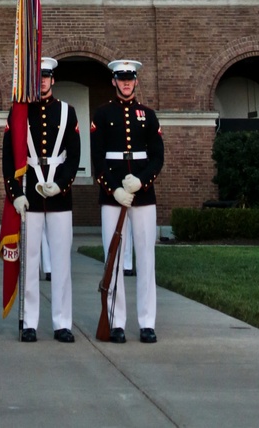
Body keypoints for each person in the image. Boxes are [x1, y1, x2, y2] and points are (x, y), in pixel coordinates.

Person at [3, 57, 81, 343]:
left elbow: (74, 156)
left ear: (53, 80)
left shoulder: (68, 112)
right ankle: (30, 322)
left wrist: (61, 184)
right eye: (40, 77)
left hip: (59, 196)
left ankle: (62, 323)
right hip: (30, 195)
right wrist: (16, 194)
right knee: (30, 261)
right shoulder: (20, 112)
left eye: (47, 77)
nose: (44, 82)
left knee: (61, 262)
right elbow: (9, 157)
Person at [90, 59, 164, 344]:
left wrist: (142, 180)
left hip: (142, 192)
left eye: (129, 78)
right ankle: (116, 321)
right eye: (121, 78)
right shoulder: (103, 113)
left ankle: (147, 322)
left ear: (135, 81)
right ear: (113, 81)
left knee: (146, 257)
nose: (125, 83)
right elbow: (98, 159)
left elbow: (157, 157)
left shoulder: (148, 115)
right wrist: (113, 189)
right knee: (115, 258)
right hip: (113, 193)